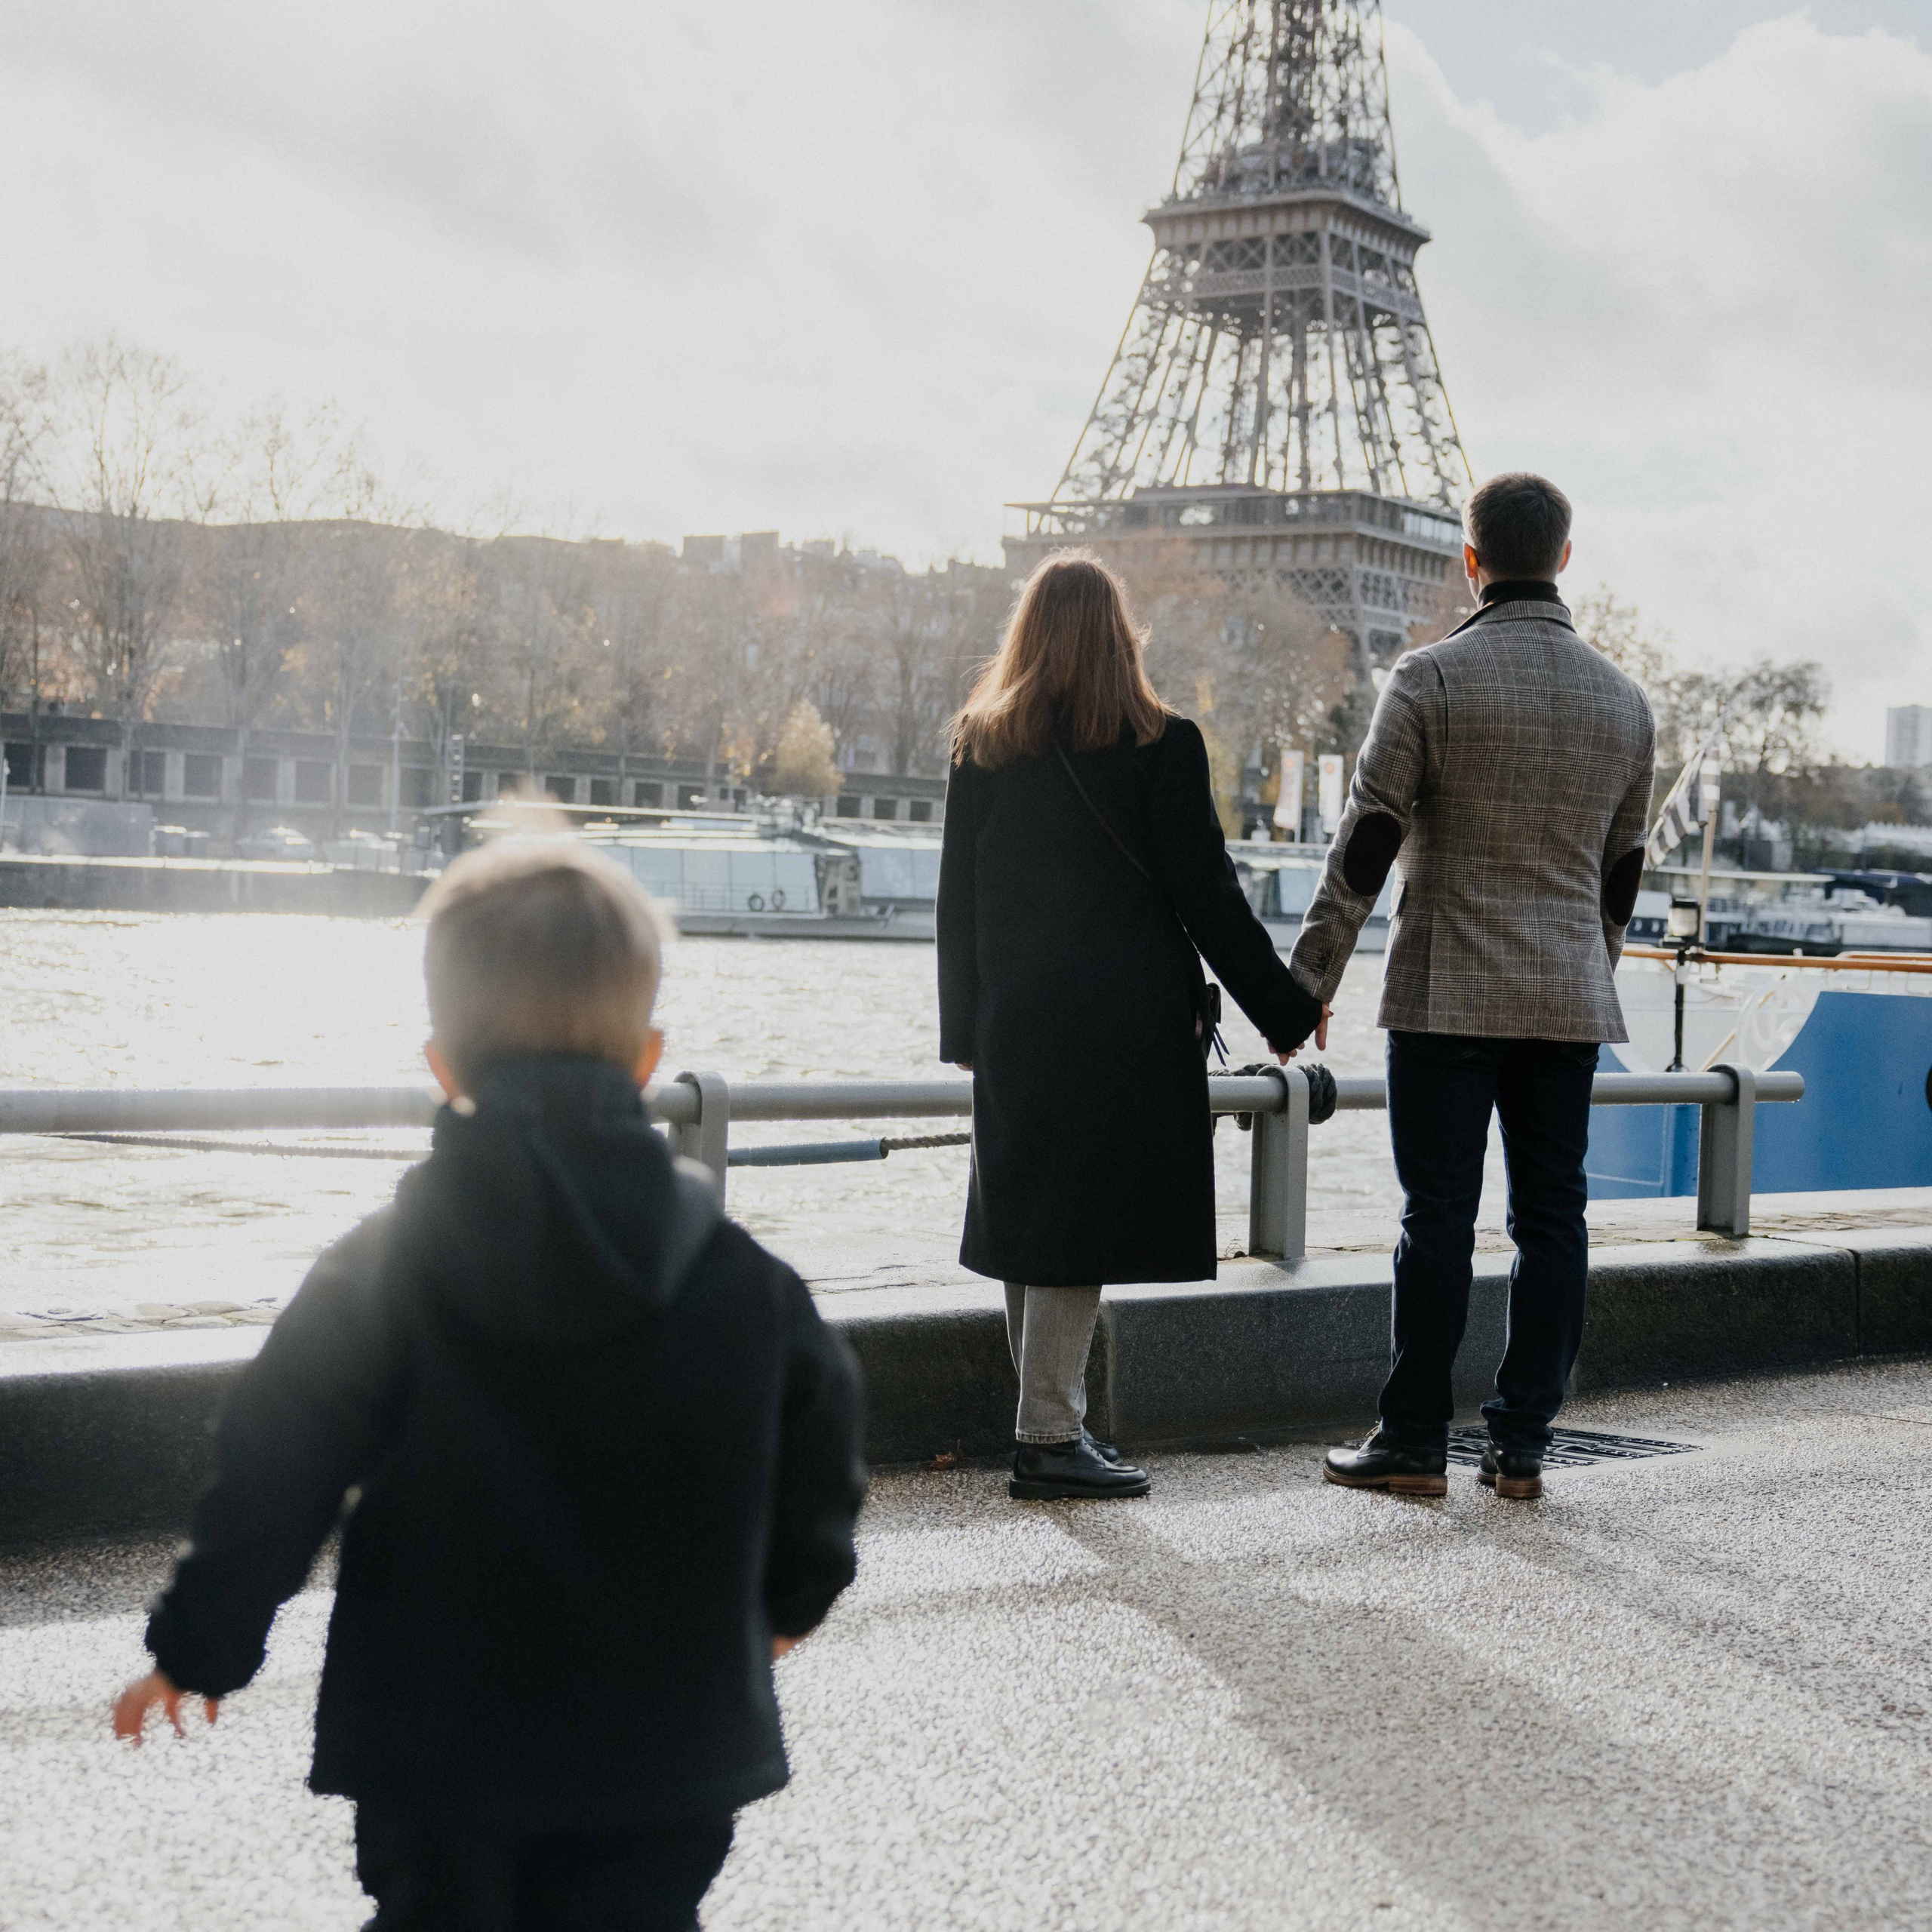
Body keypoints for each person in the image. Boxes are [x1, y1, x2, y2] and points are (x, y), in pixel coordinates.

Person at [112, 841, 866, 1931]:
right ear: (649, 1058)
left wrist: (199, 1650)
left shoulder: (382, 1266)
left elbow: (275, 1464)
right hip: (667, 1750)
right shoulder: (741, 1277)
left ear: (443, 1067)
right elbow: (822, 1446)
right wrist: (788, 1603)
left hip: (436, 1749)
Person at [1289, 472, 1655, 1502]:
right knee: (1555, 1218)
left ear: (1470, 558)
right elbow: (1620, 875)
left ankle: (1411, 1440)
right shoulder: (1626, 703)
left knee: (1436, 1218)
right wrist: (1588, 968)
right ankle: (1523, 1442)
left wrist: (1309, 978)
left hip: (1447, 990)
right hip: (1567, 999)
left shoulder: (1430, 679)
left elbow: (1366, 840)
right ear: (1565, 558)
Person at [937, 550, 1327, 1503]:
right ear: (1121, 637)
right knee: (1076, 1219)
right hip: (1117, 1022)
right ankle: (1048, 1434)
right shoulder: (1162, 743)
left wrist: (965, 1031)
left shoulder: (981, 742)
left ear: (1023, 635)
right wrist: (1285, 1010)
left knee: (1027, 1211)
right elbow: (1208, 898)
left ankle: (1045, 1423)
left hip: (1015, 1016)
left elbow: (959, 904)